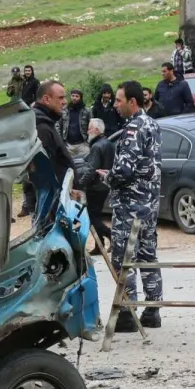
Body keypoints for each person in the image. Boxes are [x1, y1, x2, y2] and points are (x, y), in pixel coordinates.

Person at [96, 80, 162, 332]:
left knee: (123, 258)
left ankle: (128, 312)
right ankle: (153, 310)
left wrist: (105, 176)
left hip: (130, 205)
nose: (115, 105)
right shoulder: (152, 123)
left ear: (132, 102)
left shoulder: (134, 128)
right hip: (150, 204)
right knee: (147, 255)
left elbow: (124, 170)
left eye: (119, 100)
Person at [74, 117, 114, 245]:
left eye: (89, 128)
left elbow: (92, 169)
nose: (87, 131)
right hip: (104, 185)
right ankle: (99, 243)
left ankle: (109, 234)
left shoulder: (97, 146)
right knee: (95, 215)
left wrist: (80, 184)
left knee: (91, 217)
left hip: (96, 187)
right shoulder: (108, 143)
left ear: (96, 130)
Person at [59, 88, 91, 157]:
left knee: (84, 165)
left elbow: (92, 126)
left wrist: (88, 142)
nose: (74, 98)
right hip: (68, 145)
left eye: (77, 96)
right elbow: (58, 125)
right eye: (73, 96)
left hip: (82, 145)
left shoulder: (87, 111)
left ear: (80, 98)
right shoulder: (64, 110)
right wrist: (60, 141)